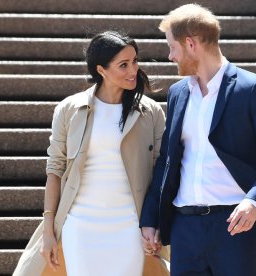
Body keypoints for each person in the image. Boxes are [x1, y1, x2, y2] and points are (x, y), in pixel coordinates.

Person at [140, 4, 256, 276]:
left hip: (235, 225)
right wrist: (151, 217)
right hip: (185, 228)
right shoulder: (177, 94)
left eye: (172, 47)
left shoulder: (251, 87)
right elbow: (167, 160)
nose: (170, 56)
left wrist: (254, 202)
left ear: (190, 43)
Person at [13, 31, 168, 276]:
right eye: (124, 65)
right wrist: (48, 230)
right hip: (80, 223)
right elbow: (55, 170)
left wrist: (154, 221)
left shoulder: (150, 112)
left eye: (135, 61)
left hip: (130, 224)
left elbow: (163, 169)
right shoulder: (69, 109)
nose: (133, 70)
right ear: (101, 70)